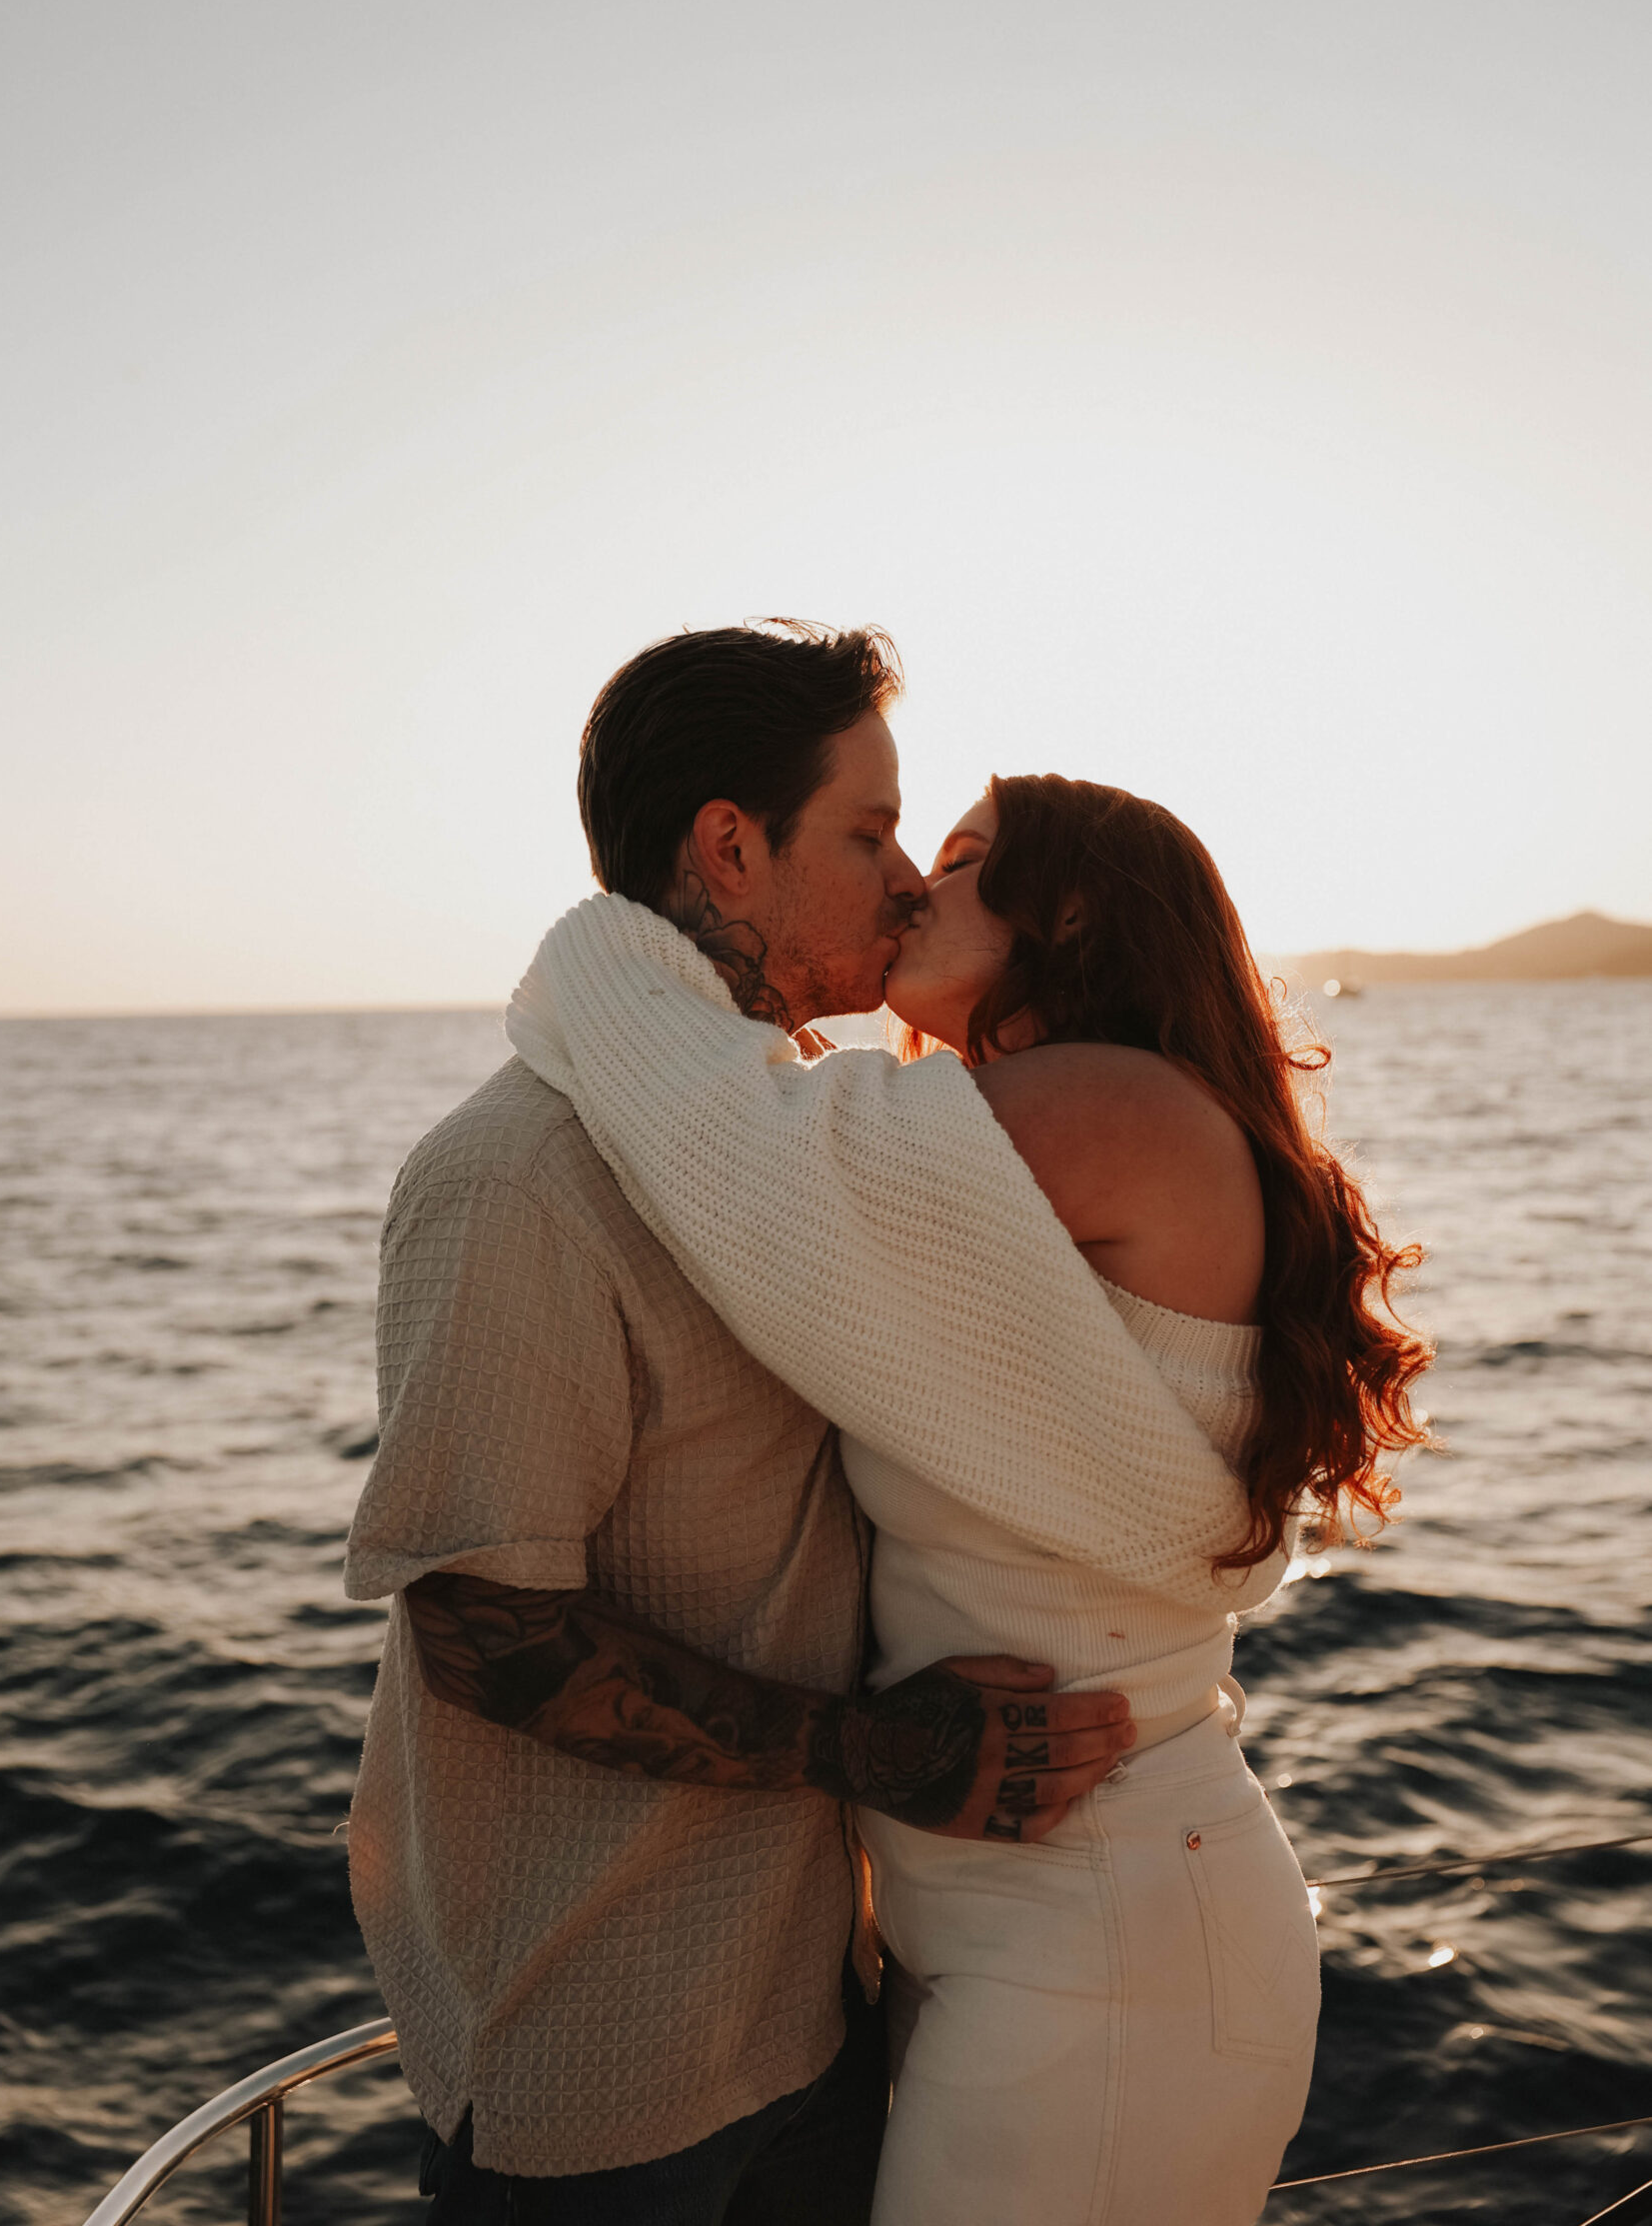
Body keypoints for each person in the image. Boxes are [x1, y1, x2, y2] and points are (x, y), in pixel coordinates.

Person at [506, 773, 1432, 2224]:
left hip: (1105, 1934)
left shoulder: (1106, 1100)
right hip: (1038, 1916)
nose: (906, 892)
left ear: (1063, 912)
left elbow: (742, 1164)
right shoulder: (1052, 1123)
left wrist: (596, 950)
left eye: (954, 861)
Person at [343, 626, 1142, 2226]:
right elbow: (485, 1633)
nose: (910, 880)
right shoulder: (521, 1178)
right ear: (729, 848)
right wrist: (886, 1752)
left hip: (806, 2008)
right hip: (603, 2066)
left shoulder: (788, 1158)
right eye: (866, 832)